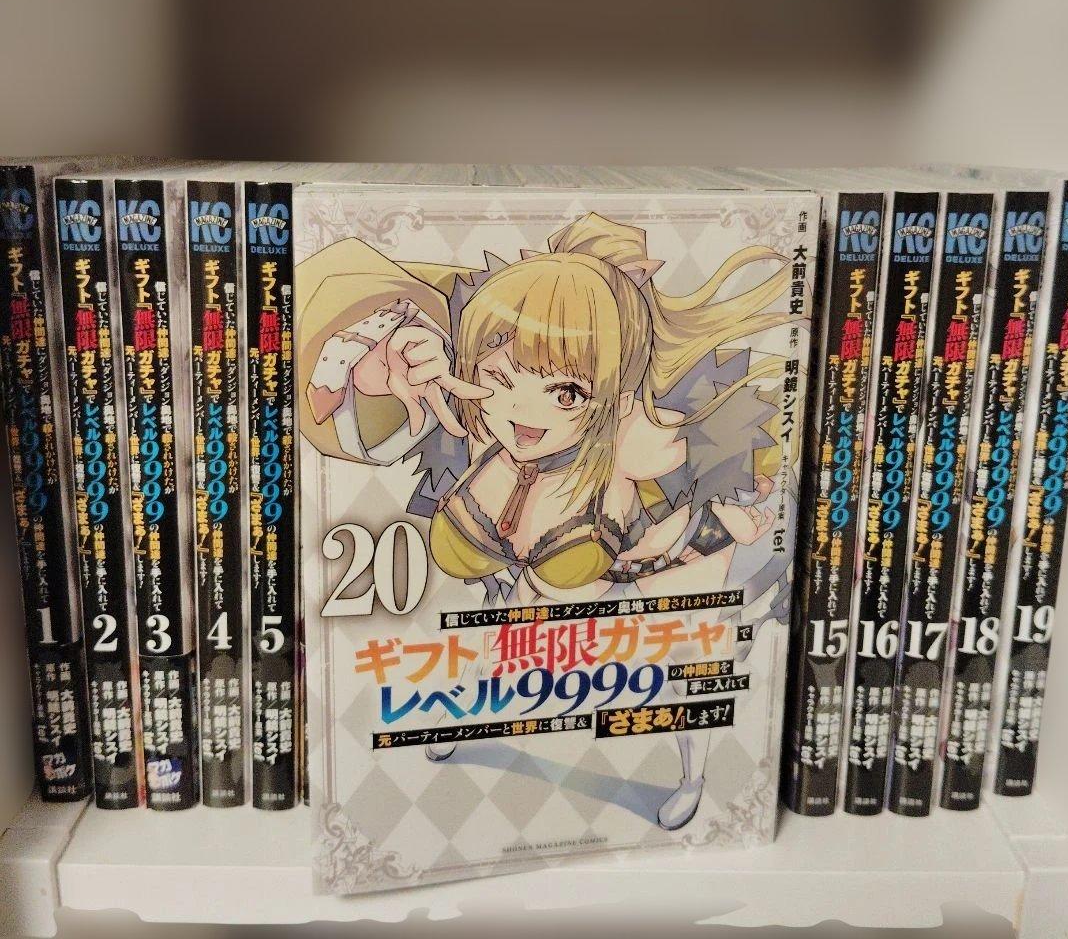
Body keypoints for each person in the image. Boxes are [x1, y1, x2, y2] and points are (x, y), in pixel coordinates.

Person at [299, 211, 792, 829]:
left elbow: (707, 479)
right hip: (533, 586)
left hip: (655, 569)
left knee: (679, 669)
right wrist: (377, 364)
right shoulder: (477, 420)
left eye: (565, 393)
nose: (523, 412)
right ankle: (459, 711)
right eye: (499, 377)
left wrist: (707, 505)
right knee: (493, 630)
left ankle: (694, 773)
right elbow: (362, 419)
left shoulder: (638, 435)